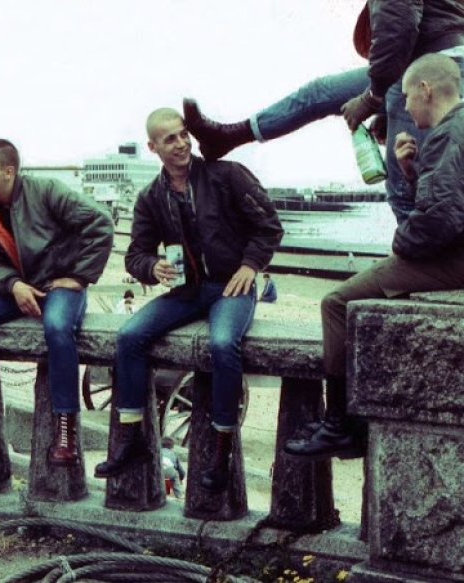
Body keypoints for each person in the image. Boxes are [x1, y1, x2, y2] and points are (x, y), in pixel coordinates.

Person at [285, 54, 464, 460]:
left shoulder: (449, 134)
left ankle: (339, 427)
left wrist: (399, 246)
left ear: (426, 89)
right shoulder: (453, 131)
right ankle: (345, 420)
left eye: (405, 98)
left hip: (455, 260)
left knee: (334, 303)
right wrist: (411, 169)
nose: (403, 109)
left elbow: (438, 222)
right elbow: (449, 203)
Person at [94, 108, 283, 492]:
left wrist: (251, 266)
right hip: (188, 291)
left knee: (221, 343)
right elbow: (136, 255)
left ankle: (221, 447)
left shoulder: (227, 175)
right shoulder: (151, 197)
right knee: (129, 337)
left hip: (233, 285)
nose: (181, 143)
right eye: (170, 139)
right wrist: (153, 267)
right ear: (153, 147)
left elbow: (269, 226)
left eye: (183, 135)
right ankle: (132, 440)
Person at [183, 1, 464, 224]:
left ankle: (420, 263)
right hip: (414, 59)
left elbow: (398, 26)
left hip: (433, 62)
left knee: (404, 188)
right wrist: (384, 105)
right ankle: (229, 136)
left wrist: (373, 97)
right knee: (321, 92)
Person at [0, 139, 114, 466]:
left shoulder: (47, 191)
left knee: (57, 328)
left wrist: (79, 277)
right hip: (15, 287)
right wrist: (13, 285)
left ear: (8, 171)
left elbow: (101, 223)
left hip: (60, 283)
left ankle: (65, 429)